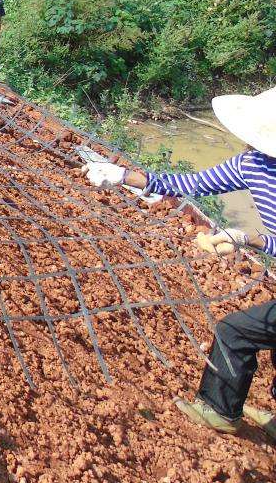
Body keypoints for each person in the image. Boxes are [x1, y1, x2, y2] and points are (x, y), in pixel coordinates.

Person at [82, 86, 276, 439]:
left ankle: (218, 410)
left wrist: (250, 239)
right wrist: (124, 175)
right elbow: (190, 183)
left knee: (235, 331)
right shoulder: (251, 164)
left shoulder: (258, 164)